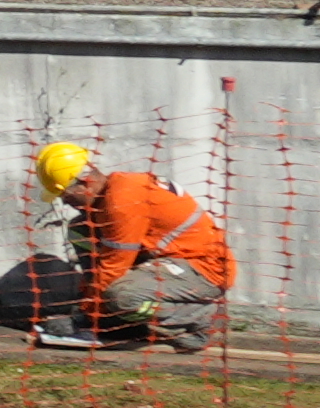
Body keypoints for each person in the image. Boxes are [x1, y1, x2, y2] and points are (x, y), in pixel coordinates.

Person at [28, 139, 230, 352]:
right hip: (169, 261)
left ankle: (201, 321)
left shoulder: (122, 202)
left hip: (203, 269)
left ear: (85, 181)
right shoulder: (114, 191)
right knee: (80, 229)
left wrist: (87, 314)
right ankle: (121, 321)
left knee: (123, 297)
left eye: (65, 195)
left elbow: (113, 267)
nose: (65, 202)